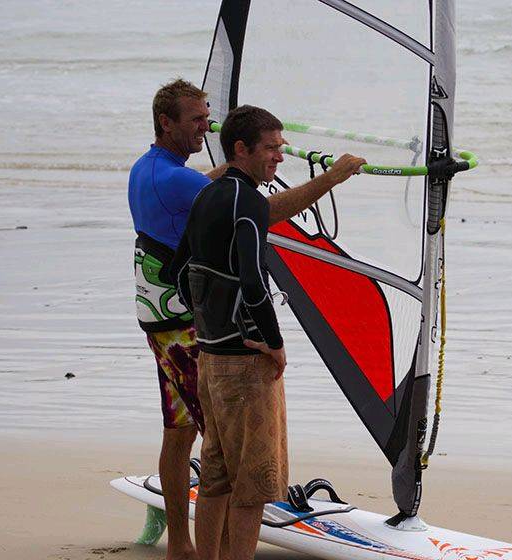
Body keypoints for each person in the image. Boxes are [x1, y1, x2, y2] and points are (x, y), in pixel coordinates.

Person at [169, 105, 364, 560]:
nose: (279, 156)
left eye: (281, 147)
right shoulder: (249, 202)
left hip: (210, 359)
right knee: (253, 486)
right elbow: (254, 279)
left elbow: (178, 271)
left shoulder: (207, 195)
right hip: (244, 364)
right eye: (271, 148)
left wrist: (210, 325)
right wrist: (274, 344)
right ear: (241, 149)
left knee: (215, 478)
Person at [128, 78, 227, 560]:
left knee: (180, 429)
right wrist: (329, 179)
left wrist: (234, 166)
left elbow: (202, 187)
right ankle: (219, 545)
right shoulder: (178, 180)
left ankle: (181, 546)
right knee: (218, 436)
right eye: (196, 119)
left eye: (207, 117)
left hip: (158, 316)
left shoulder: (147, 168)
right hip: (182, 322)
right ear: (166, 122)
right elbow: (250, 207)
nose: (205, 127)